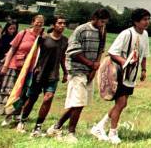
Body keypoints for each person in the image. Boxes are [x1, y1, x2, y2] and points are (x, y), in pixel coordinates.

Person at [47, 8, 110, 143]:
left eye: (105, 22)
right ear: (94, 18)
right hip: (76, 69)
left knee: (79, 103)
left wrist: (95, 67)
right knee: (79, 101)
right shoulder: (81, 29)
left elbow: (100, 50)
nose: (102, 24)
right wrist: (90, 64)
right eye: (101, 21)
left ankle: (56, 126)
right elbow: (73, 52)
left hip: (89, 70)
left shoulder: (102, 31)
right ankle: (71, 132)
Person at [91, 8, 151, 144]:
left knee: (122, 104)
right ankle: (113, 132)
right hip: (120, 73)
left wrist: (143, 70)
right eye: (144, 19)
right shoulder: (127, 33)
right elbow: (112, 52)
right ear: (136, 21)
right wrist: (125, 62)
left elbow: (144, 54)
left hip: (131, 75)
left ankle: (100, 126)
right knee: (121, 103)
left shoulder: (145, 35)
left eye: (148, 19)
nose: (147, 22)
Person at [15, 16, 68, 137]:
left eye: (64, 23)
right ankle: (22, 120)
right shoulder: (43, 38)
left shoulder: (65, 40)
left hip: (53, 75)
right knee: (32, 99)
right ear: (54, 25)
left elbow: (62, 57)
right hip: (39, 73)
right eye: (60, 23)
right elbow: (34, 53)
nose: (62, 25)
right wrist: (34, 67)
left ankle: (38, 126)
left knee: (48, 99)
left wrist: (65, 72)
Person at [0, 15, 44, 120]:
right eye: (37, 22)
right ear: (32, 22)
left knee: (23, 92)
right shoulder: (23, 34)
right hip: (15, 66)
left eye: (42, 22)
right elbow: (12, 50)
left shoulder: (42, 37)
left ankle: (16, 112)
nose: (39, 24)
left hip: (30, 69)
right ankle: (3, 110)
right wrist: (5, 65)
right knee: (9, 89)